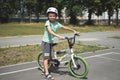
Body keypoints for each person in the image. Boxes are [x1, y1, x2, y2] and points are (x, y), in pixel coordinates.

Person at [41, 7, 79, 80]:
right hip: (46, 43)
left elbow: (64, 27)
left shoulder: (56, 23)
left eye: (53, 15)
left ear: (56, 16)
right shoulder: (47, 23)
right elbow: (50, 31)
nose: (52, 17)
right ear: (48, 16)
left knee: (51, 57)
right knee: (46, 58)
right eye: (50, 15)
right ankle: (46, 73)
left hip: (51, 42)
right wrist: (59, 36)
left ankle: (52, 63)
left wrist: (74, 31)